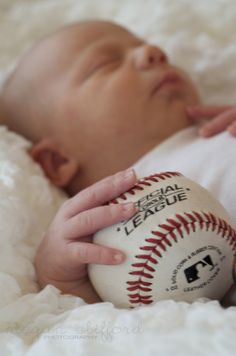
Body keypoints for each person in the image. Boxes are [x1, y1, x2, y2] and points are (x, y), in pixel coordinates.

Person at [0, 20, 236, 304]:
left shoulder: (223, 128)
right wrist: (62, 278)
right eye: (106, 64)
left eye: (143, 44)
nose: (152, 51)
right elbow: (105, 321)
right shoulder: (113, 232)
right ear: (58, 160)